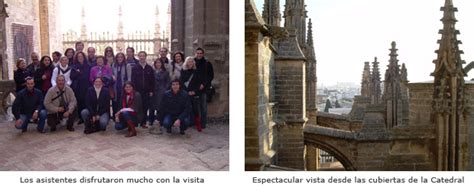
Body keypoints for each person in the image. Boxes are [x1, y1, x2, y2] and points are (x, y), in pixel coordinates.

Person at [131, 51, 155, 128]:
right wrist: (133, 90)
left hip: (147, 92)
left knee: (145, 107)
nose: (142, 57)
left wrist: (151, 90)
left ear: (145, 57)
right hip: (137, 91)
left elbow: (152, 80)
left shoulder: (149, 68)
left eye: (143, 56)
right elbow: (133, 80)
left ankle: (143, 122)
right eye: (140, 56)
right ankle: (136, 121)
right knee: (137, 107)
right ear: (138, 57)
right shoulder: (135, 68)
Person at [180, 56, 205, 131]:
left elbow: (198, 83)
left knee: (195, 109)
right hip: (186, 92)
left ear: (193, 63)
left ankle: (198, 124)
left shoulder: (196, 71)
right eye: (188, 61)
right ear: (186, 62)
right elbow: (182, 82)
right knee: (185, 108)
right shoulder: (183, 70)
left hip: (194, 92)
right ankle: (185, 123)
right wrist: (187, 92)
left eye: (191, 61)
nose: (190, 63)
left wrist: (194, 91)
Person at [194, 47, 214, 129]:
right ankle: (195, 123)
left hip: (203, 89)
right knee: (195, 107)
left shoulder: (207, 63)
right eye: (197, 53)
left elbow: (210, 76)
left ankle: (203, 124)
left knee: (203, 107)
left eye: (200, 53)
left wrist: (203, 84)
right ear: (195, 53)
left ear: (203, 54)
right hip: (194, 88)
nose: (199, 55)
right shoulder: (193, 62)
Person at [70, 51, 91, 124]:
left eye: (81, 57)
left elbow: (89, 76)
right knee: (80, 102)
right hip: (78, 87)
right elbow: (72, 77)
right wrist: (77, 73)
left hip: (87, 86)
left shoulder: (88, 66)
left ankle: (87, 116)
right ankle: (80, 117)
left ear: (84, 57)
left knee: (87, 102)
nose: (80, 58)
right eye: (78, 57)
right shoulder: (74, 67)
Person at [149, 59, 170, 132]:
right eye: (156, 63)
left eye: (159, 63)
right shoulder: (152, 71)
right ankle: (151, 121)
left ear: (162, 64)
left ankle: (159, 121)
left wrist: (165, 90)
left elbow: (168, 82)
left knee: (160, 107)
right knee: (152, 106)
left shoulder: (165, 72)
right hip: (153, 90)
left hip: (161, 91)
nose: (158, 64)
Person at [111, 52, 132, 117]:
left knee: (123, 101)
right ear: (116, 58)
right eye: (118, 57)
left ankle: (122, 116)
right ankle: (115, 115)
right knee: (115, 101)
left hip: (124, 86)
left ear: (123, 58)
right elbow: (111, 74)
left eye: (121, 57)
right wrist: (112, 76)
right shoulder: (114, 65)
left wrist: (128, 87)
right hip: (115, 86)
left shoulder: (127, 65)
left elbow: (129, 77)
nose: (119, 58)